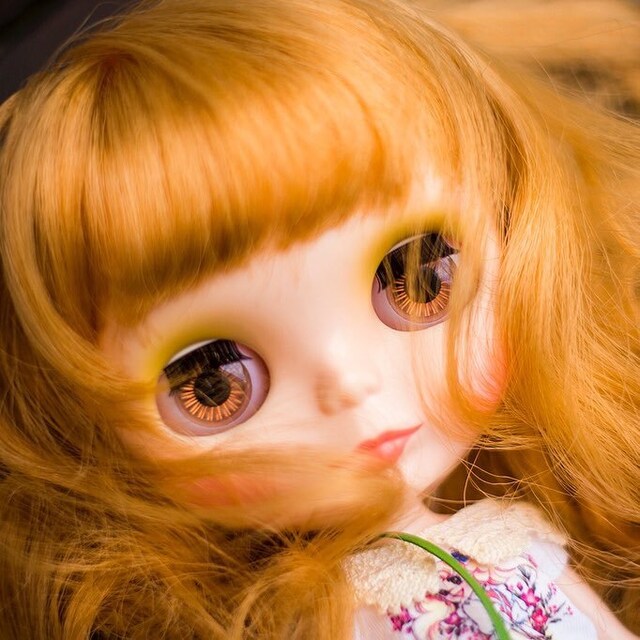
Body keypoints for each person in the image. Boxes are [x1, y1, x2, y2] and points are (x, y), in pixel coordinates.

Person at [0, 0, 638, 637]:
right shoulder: (328, 619)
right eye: (214, 382)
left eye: (417, 280)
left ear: (510, 221)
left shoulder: (508, 542)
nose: (348, 383)